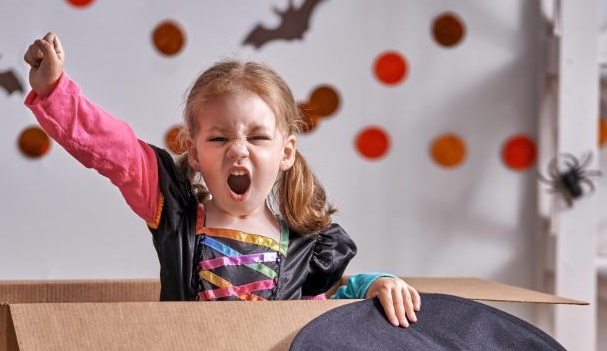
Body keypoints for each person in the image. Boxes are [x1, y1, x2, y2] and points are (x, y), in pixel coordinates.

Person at [23, 32, 420, 326]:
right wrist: (57, 92)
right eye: (219, 138)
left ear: (286, 152)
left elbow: (332, 311)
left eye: (258, 137)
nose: (238, 149)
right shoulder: (174, 214)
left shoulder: (307, 250)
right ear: (195, 153)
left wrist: (376, 284)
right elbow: (117, 150)